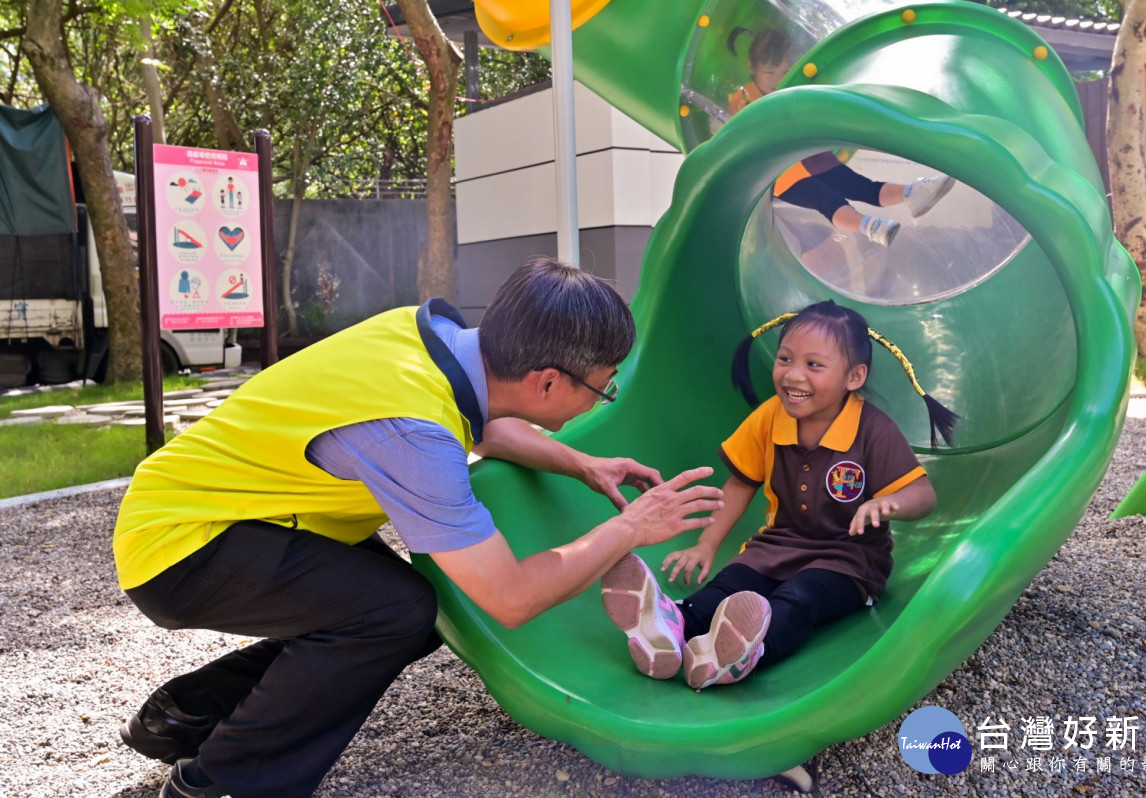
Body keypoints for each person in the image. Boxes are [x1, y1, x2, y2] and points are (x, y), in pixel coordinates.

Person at [113, 256, 725, 798]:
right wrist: (630, 530)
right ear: (547, 381)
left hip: (244, 510)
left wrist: (583, 463)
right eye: (603, 388)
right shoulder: (415, 434)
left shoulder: (433, 342)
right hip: (182, 545)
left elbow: (483, 420)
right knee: (393, 612)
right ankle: (220, 782)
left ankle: (186, 713)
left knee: (412, 615)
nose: (603, 397)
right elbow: (509, 597)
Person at [601, 300, 957, 689]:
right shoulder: (770, 417)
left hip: (848, 561)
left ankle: (746, 653)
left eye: (813, 365)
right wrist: (706, 544)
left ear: (854, 376)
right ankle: (670, 628)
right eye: (785, 359)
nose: (793, 375)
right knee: (728, 585)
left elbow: (923, 495)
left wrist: (889, 502)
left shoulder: (871, 428)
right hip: (777, 545)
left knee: (798, 598)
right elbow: (740, 484)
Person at [725, 27, 956, 246]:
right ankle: (869, 226)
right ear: (751, 67)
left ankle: (912, 193)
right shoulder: (743, 97)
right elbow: (736, 134)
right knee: (825, 200)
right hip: (779, 172)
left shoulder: (795, 90)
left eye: (785, 72)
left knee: (859, 186)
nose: (777, 80)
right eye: (769, 73)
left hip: (811, 157)